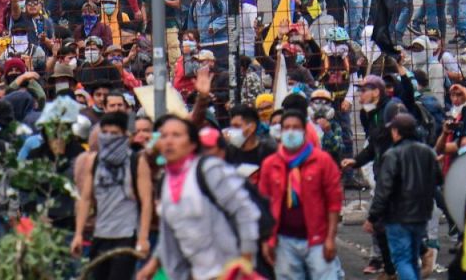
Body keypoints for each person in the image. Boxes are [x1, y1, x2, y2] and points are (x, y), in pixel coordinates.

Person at [135, 115, 261, 280]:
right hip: (191, 273)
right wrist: (153, 264)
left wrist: (246, 259)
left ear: (192, 144)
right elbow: (170, 232)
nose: (169, 141)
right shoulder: (166, 180)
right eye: (164, 136)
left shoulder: (209, 170)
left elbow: (245, 211)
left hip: (227, 270)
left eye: (176, 135)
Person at [257, 108, 343, 279]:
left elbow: (334, 202)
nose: (290, 132)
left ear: (304, 131)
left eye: (295, 128)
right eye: (286, 127)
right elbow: (263, 204)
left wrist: (331, 238)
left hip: (317, 238)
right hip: (284, 240)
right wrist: (267, 239)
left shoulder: (322, 161)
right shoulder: (270, 164)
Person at [72, 111, 152, 279]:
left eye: (114, 133)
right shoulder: (94, 162)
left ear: (125, 135)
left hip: (126, 235)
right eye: (105, 133)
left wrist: (143, 238)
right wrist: (78, 233)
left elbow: (146, 202)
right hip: (100, 234)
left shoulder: (136, 162)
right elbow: (85, 198)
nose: (108, 137)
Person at [365, 112, 441, 280]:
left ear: (397, 132)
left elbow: (383, 189)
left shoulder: (392, 154)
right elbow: (438, 178)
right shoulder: (428, 152)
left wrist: (373, 216)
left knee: (402, 259)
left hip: (397, 215)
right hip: (421, 213)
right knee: (412, 257)